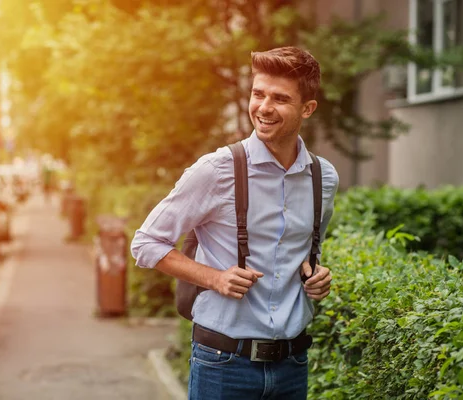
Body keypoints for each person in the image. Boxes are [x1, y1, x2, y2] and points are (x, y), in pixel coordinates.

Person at [131, 46, 339, 400]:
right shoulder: (216, 170)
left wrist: (315, 274)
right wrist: (214, 278)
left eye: (280, 98)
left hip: (292, 364)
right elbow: (146, 243)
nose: (264, 107)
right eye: (258, 94)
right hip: (223, 364)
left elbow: (302, 250)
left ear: (307, 108)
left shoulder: (324, 177)